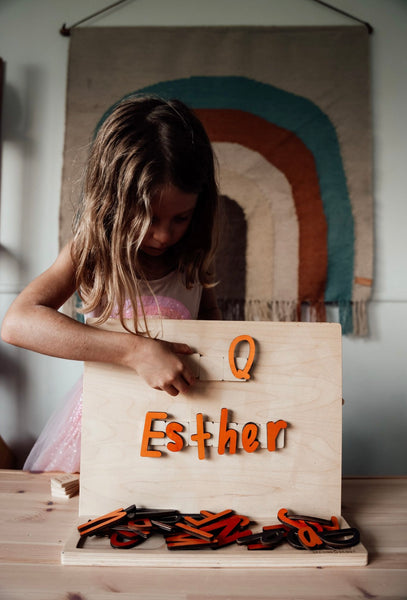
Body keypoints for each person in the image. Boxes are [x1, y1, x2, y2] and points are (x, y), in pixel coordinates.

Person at [1, 96, 221, 472]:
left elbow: (216, 335)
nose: (164, 235)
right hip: (101, 434)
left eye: (181, 218)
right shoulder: (90, 251)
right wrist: (135, 351)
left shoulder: (192, 258)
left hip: (177, 435)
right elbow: (18, 323)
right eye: (147, 218)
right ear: (113, 202)